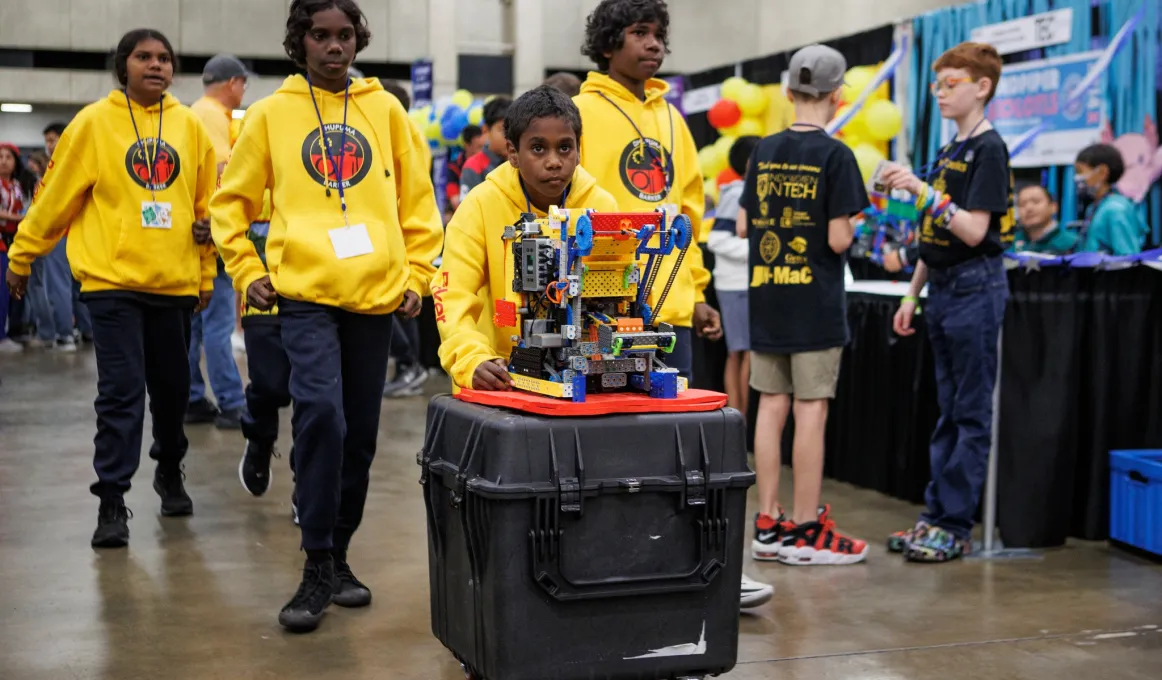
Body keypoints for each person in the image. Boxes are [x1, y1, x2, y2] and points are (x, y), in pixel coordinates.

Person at [210, 0, 443, 632]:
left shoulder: (387, 111)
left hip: (375, 297)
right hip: (304, 294)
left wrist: (418, 275)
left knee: (361, 435)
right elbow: (230, 206)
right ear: (300, 41)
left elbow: (418, 204)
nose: (334, 47)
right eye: (321, 35)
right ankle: (314, 563)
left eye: (345, 35)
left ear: (357, 41)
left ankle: (340, 556)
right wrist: (248, 271)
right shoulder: (268, 115)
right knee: (321, 414)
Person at [5, 28, 218, 548]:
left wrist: (206, 273)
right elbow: (55, 197)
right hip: (110, 284)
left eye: (164, 58)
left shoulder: (190, 127)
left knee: (171, 394)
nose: (156, 65)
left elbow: (206, 208)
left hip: (173, 285)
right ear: (123, 66)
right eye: (143, 57)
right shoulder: (93, 124)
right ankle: (112, 501)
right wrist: (23, 254)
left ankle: (169, 468)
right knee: (121, 394)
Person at [738, 45, 870, 566]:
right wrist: (857, 220)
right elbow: (838, 241)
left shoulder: (762, 151)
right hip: (814, 304)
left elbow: (747, 225)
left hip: (767, 300)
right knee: (810, 413)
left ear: (789, 92)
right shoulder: (837, 156)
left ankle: (767, 525)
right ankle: (808, 528)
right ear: (837, 97)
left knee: (770, 409)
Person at [884, 41, 1014, 563]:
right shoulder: (948, 151)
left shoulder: (988, 149)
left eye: (950, 83)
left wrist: (921, 191)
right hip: (943, 288)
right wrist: (911, 295)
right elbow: (932, 234)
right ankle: (935, 515)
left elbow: (975, 229)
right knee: (948, 412)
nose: (940, 93)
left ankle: (954, 524)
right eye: (937, 84)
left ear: (982, 87)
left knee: (970, 414)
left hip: (976, 288)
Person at [575, 0, 721, 383]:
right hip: (602, 307)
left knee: (674, 431)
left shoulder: (673, 118)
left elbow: (688, 215)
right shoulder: (578, 114)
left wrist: (698, 294)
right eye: (640, 33)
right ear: (608, 45)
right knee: (611, 428)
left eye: (658, 35)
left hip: (673, 307)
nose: (654, 44)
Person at [186, 54, 252, 429]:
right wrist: (216, 221)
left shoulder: (198, 113)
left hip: (194, 232)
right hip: (212, 234)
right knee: (219, 322)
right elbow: (220, 172)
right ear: (233, 83)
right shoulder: (211, 115)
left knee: (196, 323)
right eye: (243, 84)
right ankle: (230, 401)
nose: (243, 92)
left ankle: (193, 397)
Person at [707, 135, 759, 416]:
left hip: (744, 283)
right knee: (743, 352)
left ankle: (739, 422)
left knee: (743, 352)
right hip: (735, 284)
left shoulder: (745, 191)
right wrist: (759, 250)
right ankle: (739, 420)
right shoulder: (737, 193)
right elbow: (716, 239)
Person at [43, 122, 94, 344]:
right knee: (77, 286)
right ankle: (87, 330)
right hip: (80, 235)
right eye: (47, 141)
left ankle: (64, 334)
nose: (49, 145)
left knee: (59, 286)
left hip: (60, 234)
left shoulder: (60, 166)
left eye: (52, 140)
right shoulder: (83, 160)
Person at [1074, 144, 1149, 256]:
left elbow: (1128, 258)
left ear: (1102, 172)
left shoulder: (1115, 209)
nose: (1077, 178)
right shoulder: (1094, 208)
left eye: (1081, 171)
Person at [0, 143, 37, 353]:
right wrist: (16, 217)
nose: (4, 160)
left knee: (17, 287)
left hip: (16, 239)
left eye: (8, 157)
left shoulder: (17, 185)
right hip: (2, 239)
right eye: (0, 156)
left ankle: (16, 329)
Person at [459, 96, 511, 197]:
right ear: (486, 130)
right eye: (503, 130)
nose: (509, 136)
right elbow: (467, 209)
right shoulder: (473, 166)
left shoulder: (520, 164)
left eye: (513, 130)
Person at [1010, 185, 1076, 254]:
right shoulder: (1010, 244)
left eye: (1036, 201)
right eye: (1022, 204)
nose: (1029, 208)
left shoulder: (1071, 243)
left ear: (1053, 207)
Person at [444, 124, 483, 217]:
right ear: (467, 146)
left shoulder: (490, 163)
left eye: (484, 146)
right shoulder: (454, 167)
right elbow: (454, 199)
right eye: (479, 147)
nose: (483, 151)